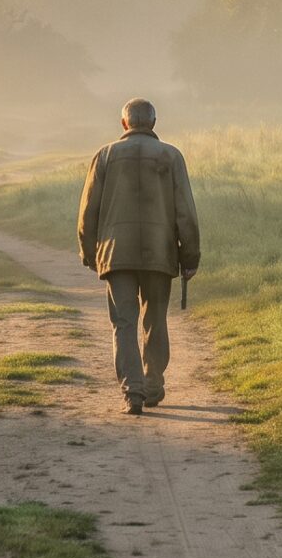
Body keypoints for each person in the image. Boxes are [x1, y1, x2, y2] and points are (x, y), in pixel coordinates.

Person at [75, 97, 201, 415]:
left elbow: (88, 212)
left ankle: (133, 391)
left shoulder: (104, 156)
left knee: (124, 322)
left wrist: (90, 253)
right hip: (160, 251)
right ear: (154, 124)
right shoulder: (172, 156)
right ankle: (154, 384)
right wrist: (191, 257)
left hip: (116, 253)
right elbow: (186, 212)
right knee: (155, 319)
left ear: (124, 124)